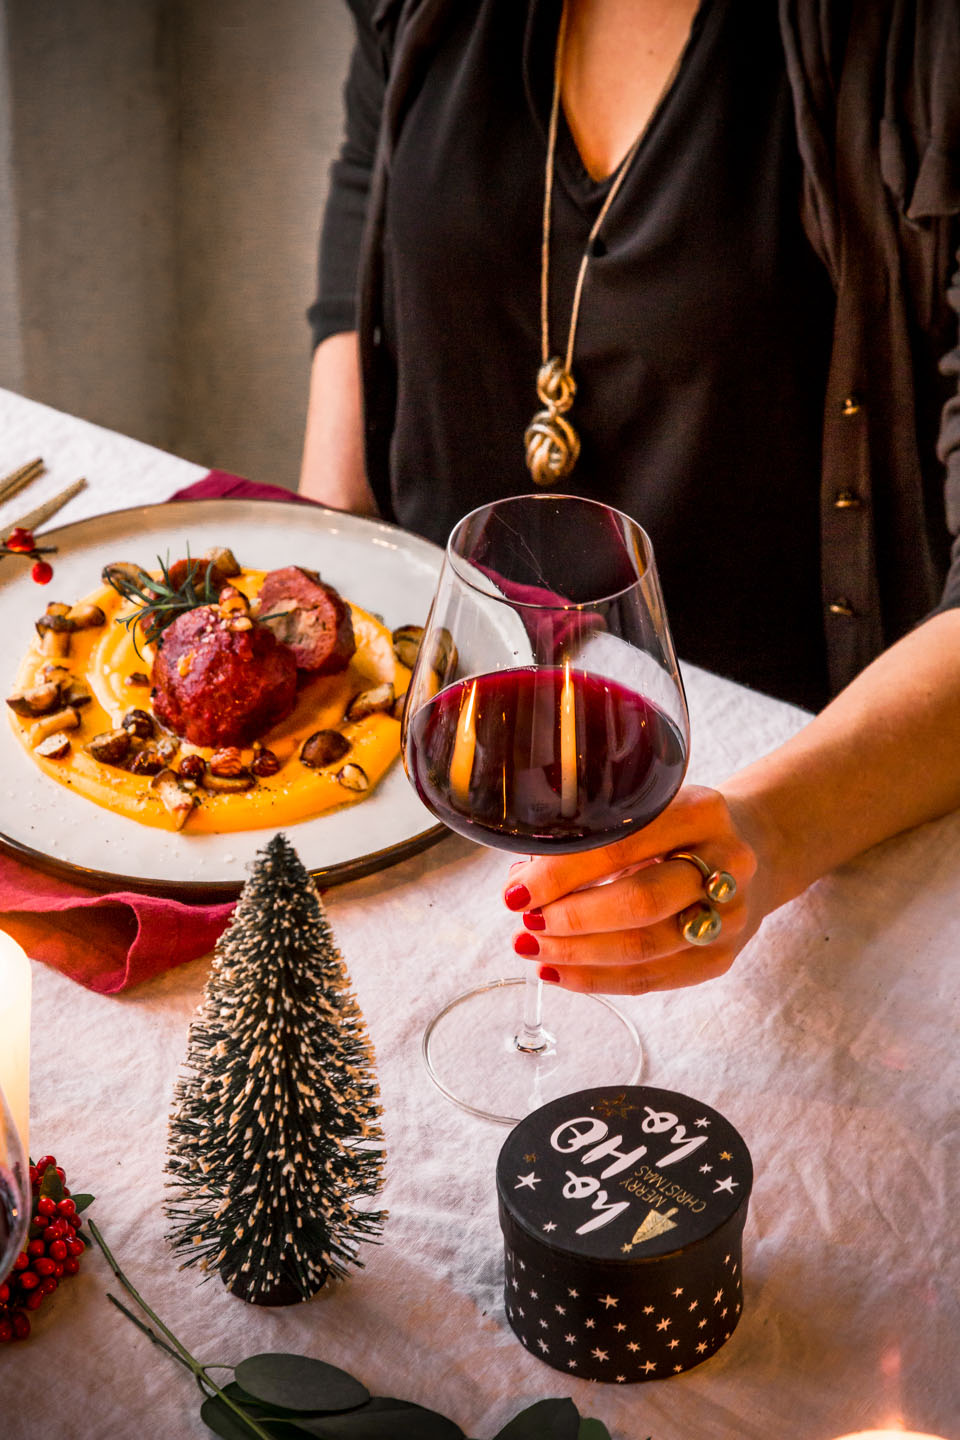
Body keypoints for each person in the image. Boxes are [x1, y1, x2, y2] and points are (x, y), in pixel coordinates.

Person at [299, 0, 960, 997]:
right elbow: (372, 178)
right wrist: (323, 554)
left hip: (785, 786)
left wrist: (770, 831)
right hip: (418, 704)